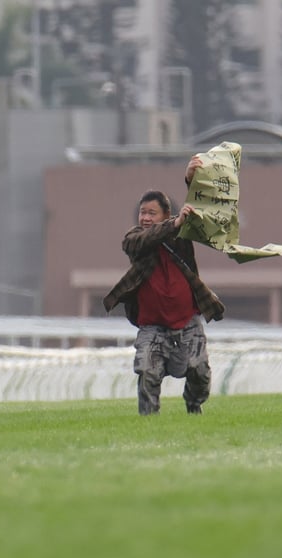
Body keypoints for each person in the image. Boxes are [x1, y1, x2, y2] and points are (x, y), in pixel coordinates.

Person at [103, 156, 225, 415]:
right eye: (143, 212)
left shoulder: (181, 237)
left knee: (200, 372)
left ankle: (193, 404)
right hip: (152, 326)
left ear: (166, 214)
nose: (146, 218)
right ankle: (149, 422)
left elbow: (198, 208)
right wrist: (174, 223)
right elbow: (145, 240)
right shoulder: (135, 239)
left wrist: (190, 179)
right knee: (147, 371)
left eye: (152, 213)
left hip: (187, 322)